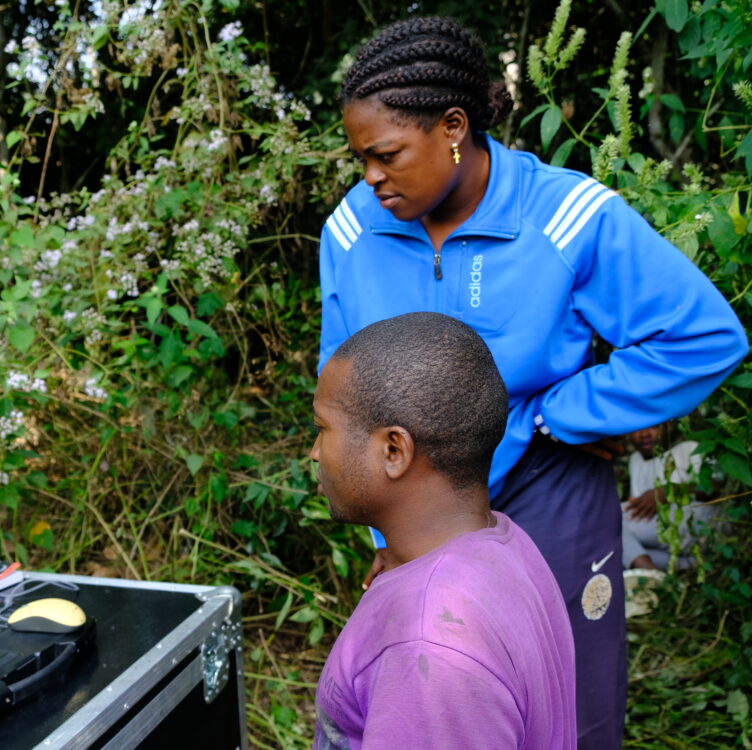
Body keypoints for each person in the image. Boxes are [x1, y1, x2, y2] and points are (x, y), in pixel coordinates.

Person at [319, 17, 747, 749]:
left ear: (453, 128)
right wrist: (383, 530)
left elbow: (702, 336)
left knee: (567, 693)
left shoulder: (567, 217)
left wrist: (562, 414)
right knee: (434, 687)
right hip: (412, 494)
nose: (370, 178)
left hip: (546, 482)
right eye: (361, 159)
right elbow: (346, 389)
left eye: (386, 156)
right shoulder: (354, 232)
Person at [311, 312, 575, 750]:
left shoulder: (429, 648)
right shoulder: (505, 543)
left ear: (394, 450)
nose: (316, 453)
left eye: (323, 429)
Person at [622, 422, 717, 571]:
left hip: (699, 526)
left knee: (611, 518)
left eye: (654, 426)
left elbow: (717, 487)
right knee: (616, 551)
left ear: (669, 426)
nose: (645, 434)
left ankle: (645, 571)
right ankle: (687, 566)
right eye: (637, 427)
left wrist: (668, 491)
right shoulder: (635, 460)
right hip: (663, 537)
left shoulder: (689, 448)